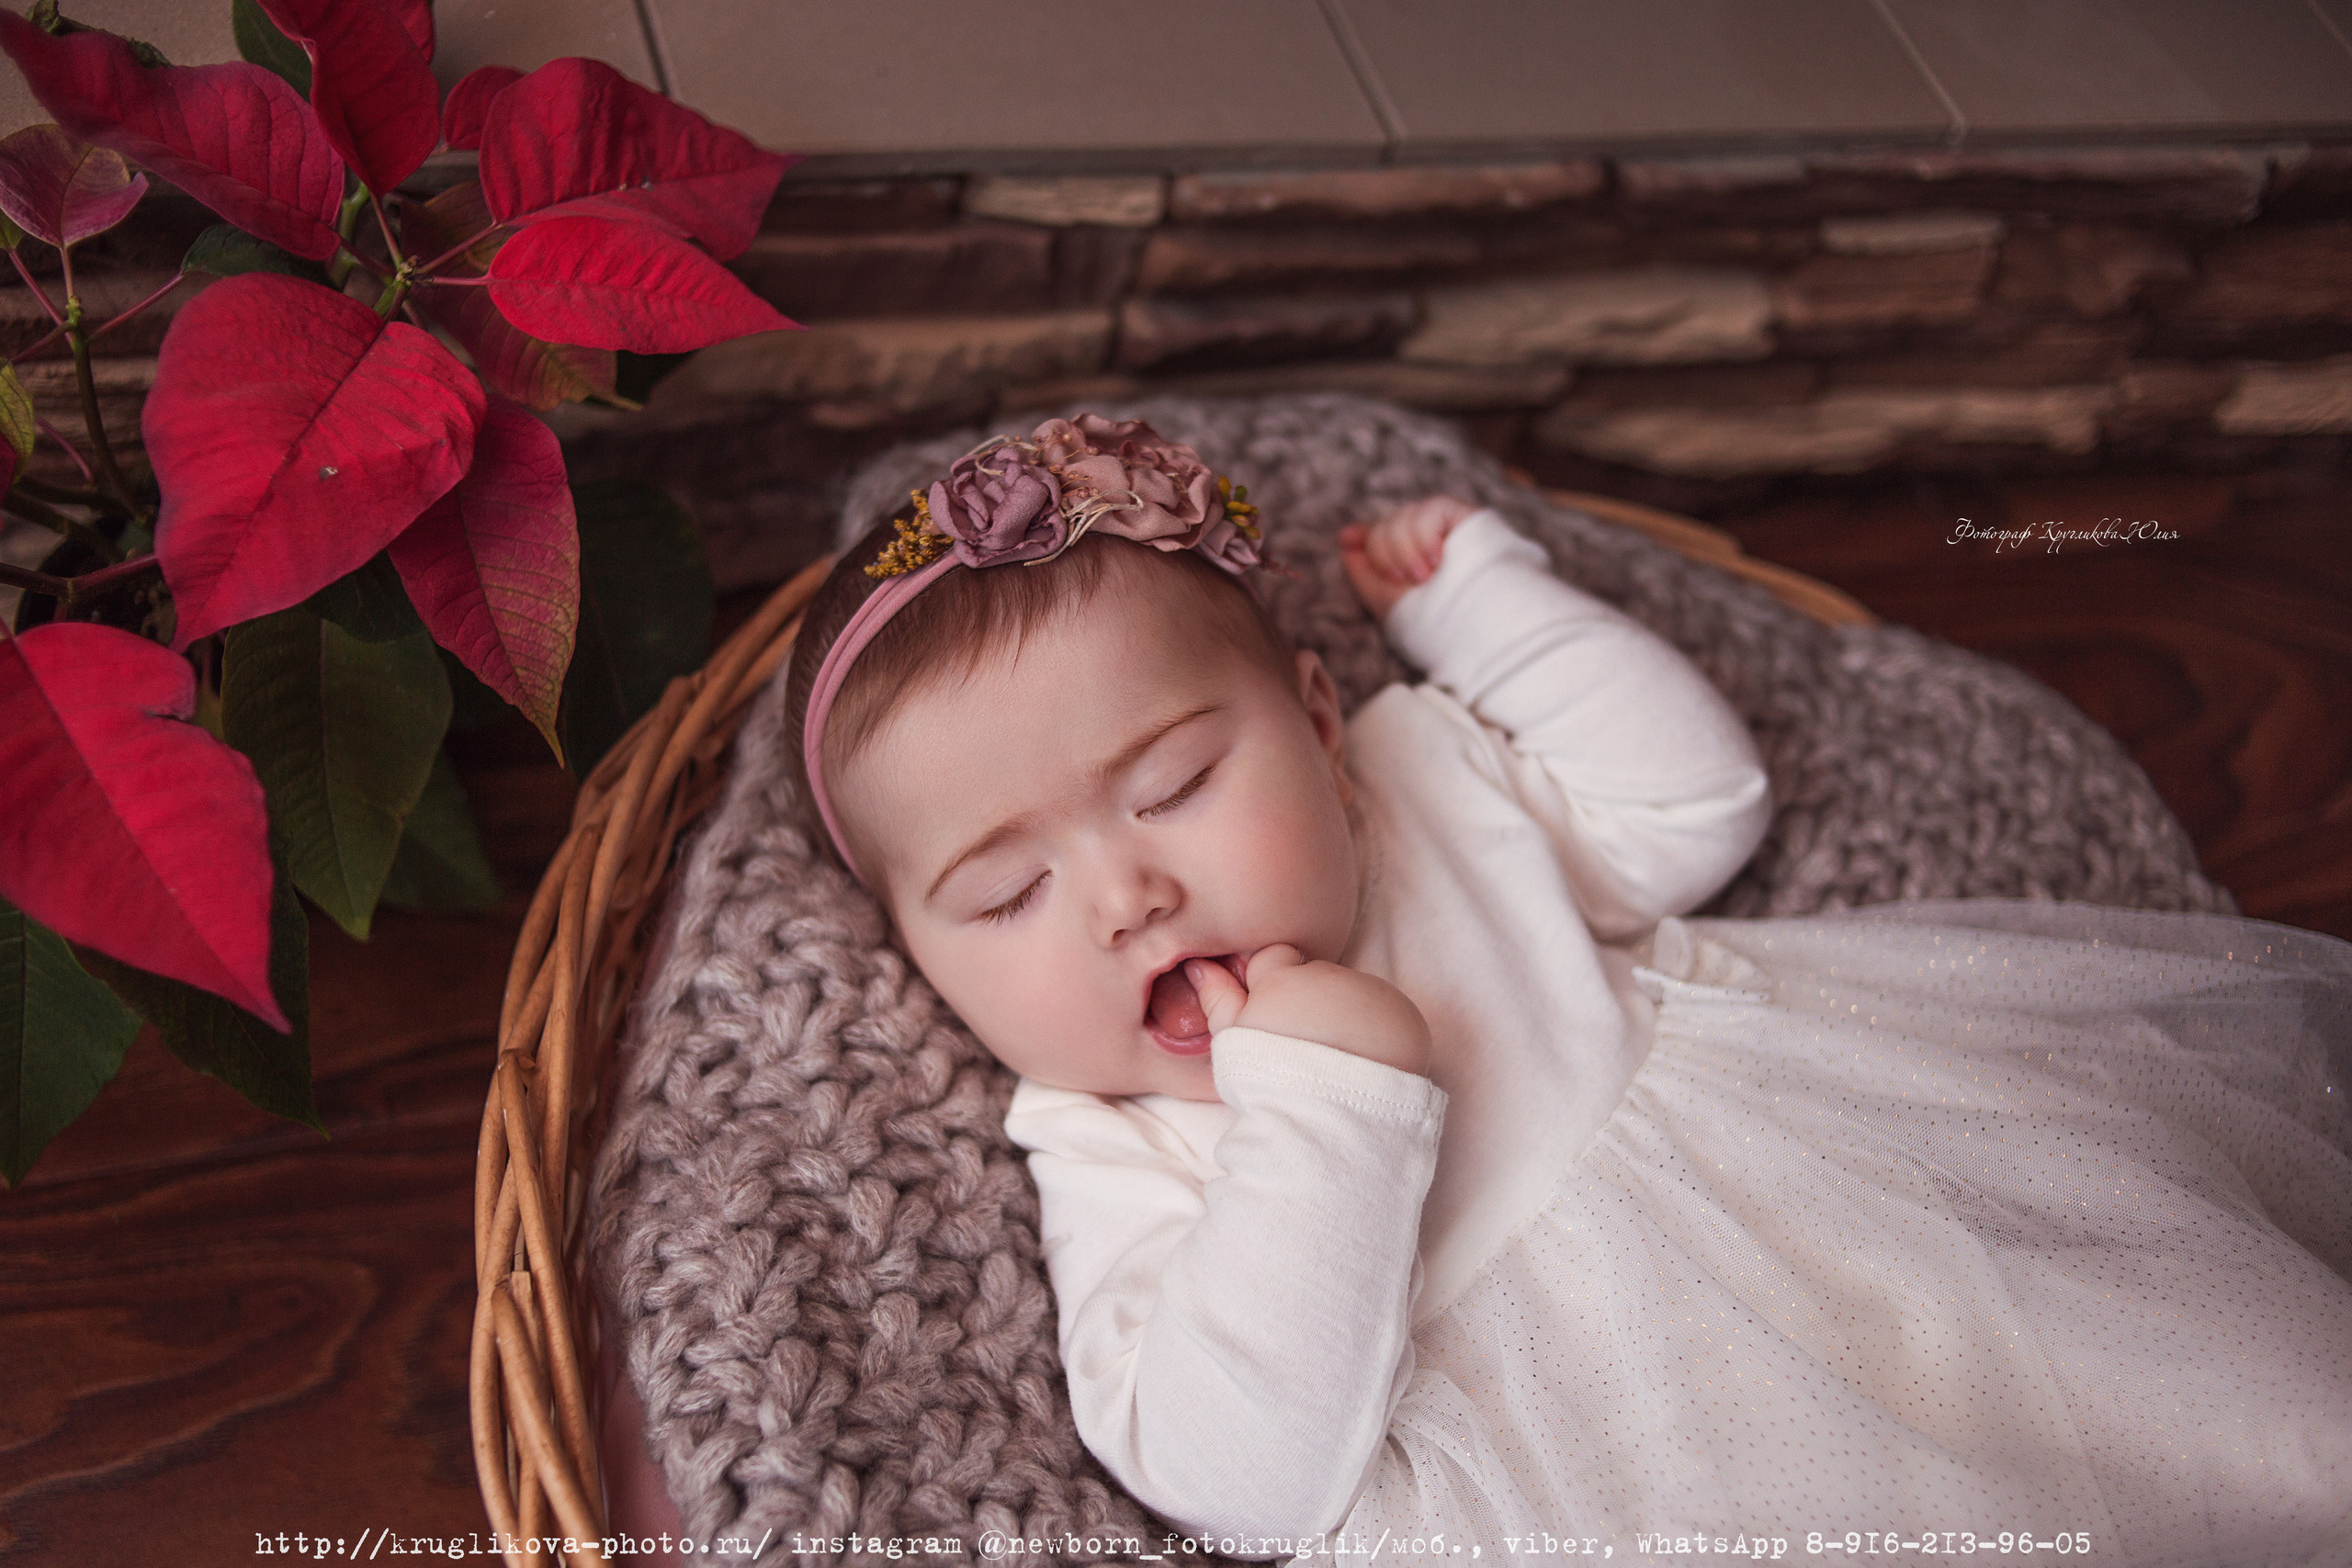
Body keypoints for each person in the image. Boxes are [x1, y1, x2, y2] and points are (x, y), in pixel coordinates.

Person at [783, 412, 2352, 1566]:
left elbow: (1690, 805)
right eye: (1008, 893)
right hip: (1597, 1480)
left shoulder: (1414, 788)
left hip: (1821, 1209)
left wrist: (1483, 609)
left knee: (2219, 1433)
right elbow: (1236, 1474)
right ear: (922, 954)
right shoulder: (1100, 1133)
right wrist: (1328, 1110)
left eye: (1178, 780)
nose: (1128, 896)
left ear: (1322, 727)